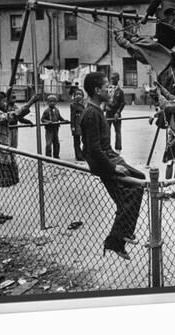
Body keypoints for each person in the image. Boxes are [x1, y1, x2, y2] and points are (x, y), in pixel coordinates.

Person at [80, 72, 146, 260]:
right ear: (96, 90)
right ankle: (116, 239)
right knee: (131, 191)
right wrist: (112, 167)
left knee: (139, 180)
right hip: (105, 162)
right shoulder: (91, 113)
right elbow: (92, 149)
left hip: (110, 157)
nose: (110, 90)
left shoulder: (96, 109)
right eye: (106, 87)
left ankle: (123, 231)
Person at [0, 92, 39, 225]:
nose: (5, 104)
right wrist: (30, 102)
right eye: (3, 101)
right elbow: (12, 115)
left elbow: (14, 115)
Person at [104, 72, 126, 152]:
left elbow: (123, 103)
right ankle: (107, 147)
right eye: (111, 78)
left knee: (118, 131)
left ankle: (118, 148)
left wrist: (118, 112)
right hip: (108, 112)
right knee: (106, 130)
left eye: (114, 78)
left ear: (118, 79)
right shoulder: (108, 89)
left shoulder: (120, 91)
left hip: (116, 113)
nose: (112, 80)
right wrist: (104, 108)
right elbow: (104, 99)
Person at [41, 94, 65, 158]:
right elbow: (42, 119)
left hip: (56, 128)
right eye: (50, 101)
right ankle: (48, 156)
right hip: (49, 129)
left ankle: (56, 155)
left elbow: (59, 117)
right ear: (48, 102)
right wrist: (48, 122)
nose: (52, 103)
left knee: (56, 142)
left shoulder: (57, 110)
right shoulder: (46, 111)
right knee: (49, 143)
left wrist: (64, 120)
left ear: (56, 102)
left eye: (54, 101)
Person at [70, 88, 85, 161]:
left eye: (80, 94)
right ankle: (78, 155)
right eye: (77, 94)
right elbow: (72, 116)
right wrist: (72, 126)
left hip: (83, 124)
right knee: (77, 141)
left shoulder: (83, 105)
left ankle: (83, 154)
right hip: (77, 124)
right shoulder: (73, 105)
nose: (78, 96)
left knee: (85, 140)